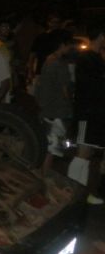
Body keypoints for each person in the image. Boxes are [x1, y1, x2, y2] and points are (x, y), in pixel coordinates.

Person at [67, 23, 105, 205]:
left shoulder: (97, 58)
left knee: (88, 153)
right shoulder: (86, 59)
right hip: (86, 114)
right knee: (83, 153)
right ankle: (71, 193)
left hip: (96, 114)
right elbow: (87, 88)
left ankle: (80, 194)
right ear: (101, 36)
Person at [35, 29, 74, 176]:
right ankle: (44, 178)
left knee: (47, 145)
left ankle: (42, 175)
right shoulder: (60, 64)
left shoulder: (48, 60)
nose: (71, 47)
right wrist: (71, 103)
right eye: (69, 44)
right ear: (62, 45)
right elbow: (65, 90)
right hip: (57, 110)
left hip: (46, 109)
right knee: (52, 148)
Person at [26, 13, 63, 91]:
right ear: (48, 23)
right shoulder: (41, 37)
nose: (55, 24)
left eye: (57, 22)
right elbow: (32, 55)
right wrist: (30, 71)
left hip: (58, 71)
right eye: (53, 22)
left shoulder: (63, 36)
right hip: (42, 70)